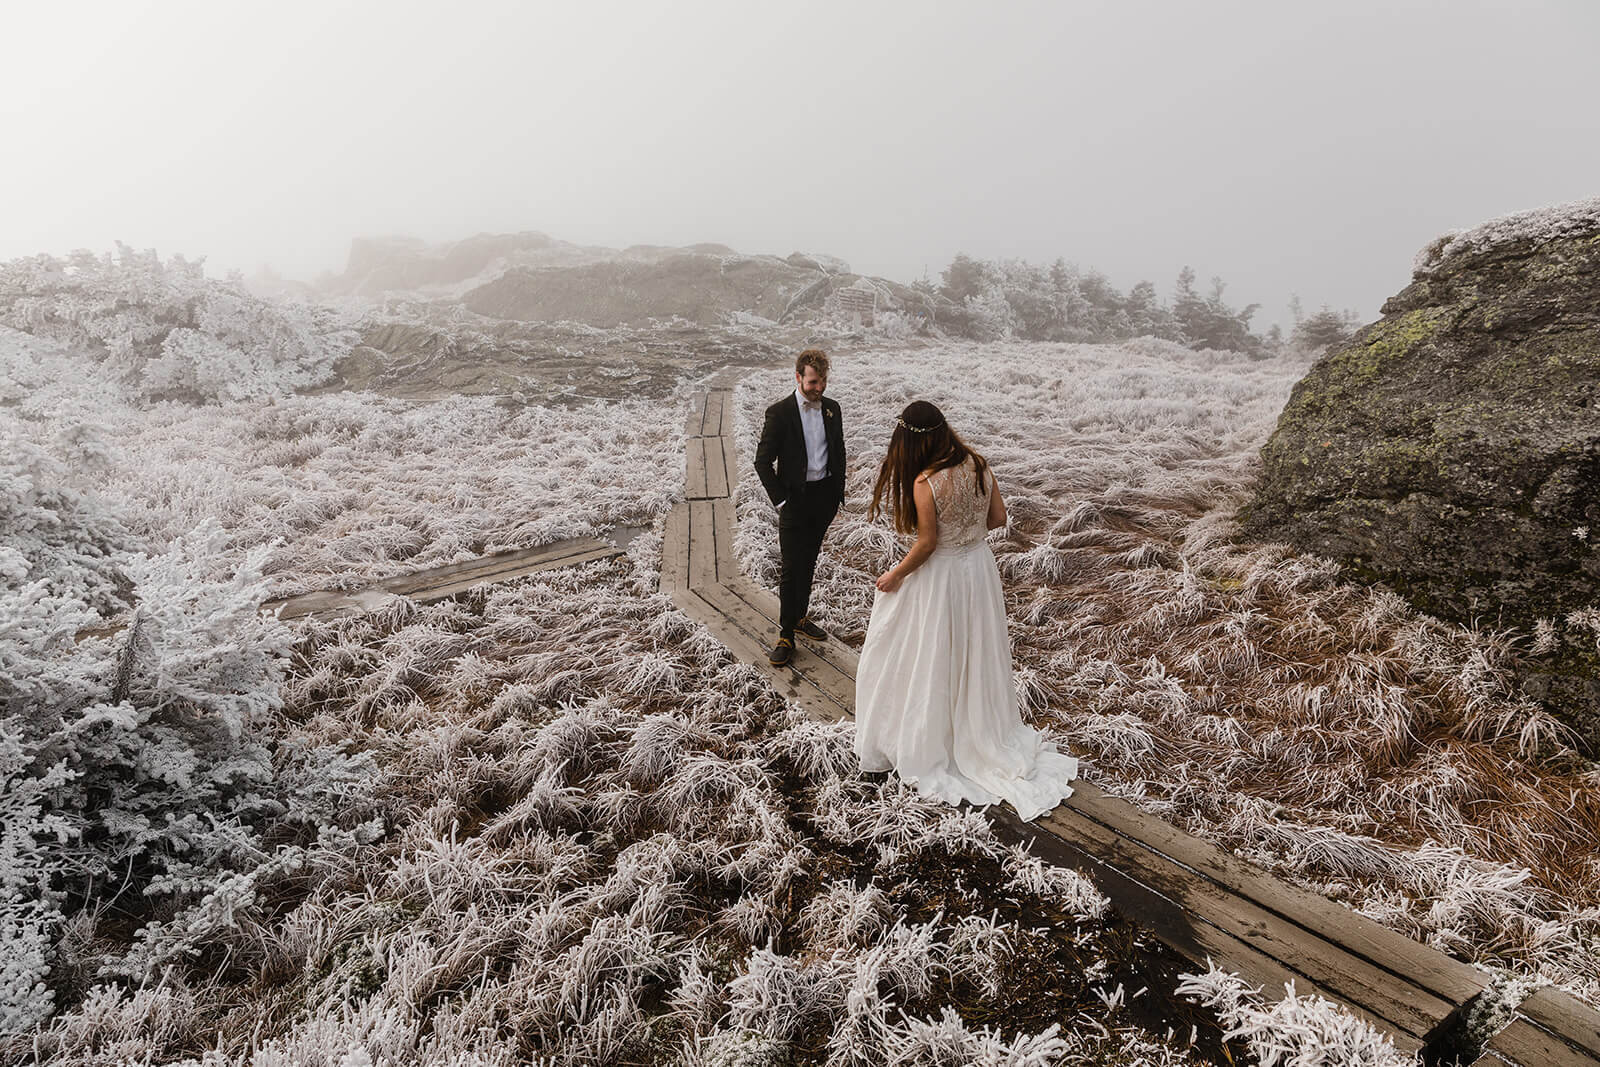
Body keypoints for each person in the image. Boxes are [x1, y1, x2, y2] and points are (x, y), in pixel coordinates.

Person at [853, 400, 1078, 821]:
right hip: (979, 569)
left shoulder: (925, 481)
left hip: (942, 577)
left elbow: (926, 544)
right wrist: (968, 533)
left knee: (931, 651)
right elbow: (999, 518)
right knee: (974, 652)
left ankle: (933, 736)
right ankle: (978, 729)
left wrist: (895, 575)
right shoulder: (978, 464)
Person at [753, 349, 846, 667]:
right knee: (791, 568)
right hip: (794, 500)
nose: (818, 388)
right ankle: (785, 634)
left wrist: (837, 492)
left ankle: (801, 618)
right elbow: (762, 461)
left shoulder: (832, 409)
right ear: (798, 377)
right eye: (812, 382)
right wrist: (781, 499)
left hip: (824, 499)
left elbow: (838, 449)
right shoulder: (779, 413)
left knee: (809, 561)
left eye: (822, 382)